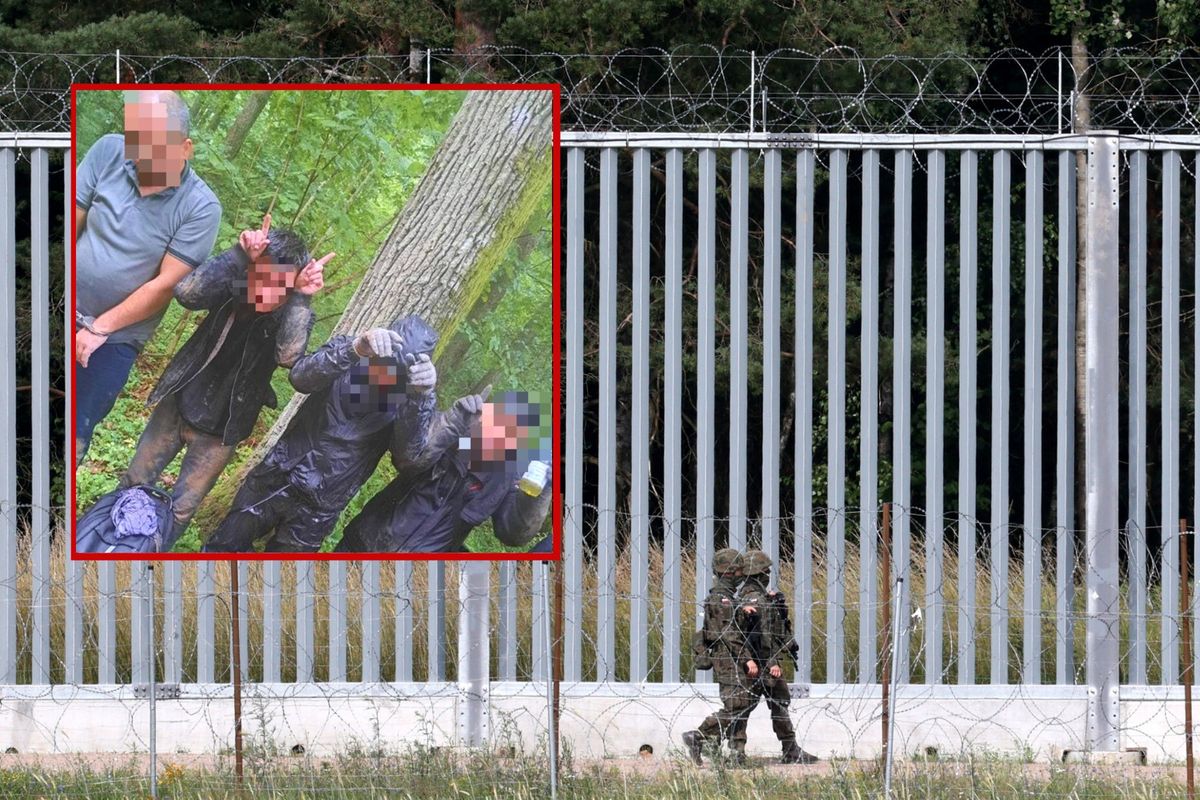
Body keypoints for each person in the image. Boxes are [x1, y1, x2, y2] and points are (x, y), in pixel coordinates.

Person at [111, 213, 331, 550]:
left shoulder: (289, 313)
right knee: (134, 481)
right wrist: (240, 255)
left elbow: (289, 357)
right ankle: (107, 542)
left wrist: (302, 298)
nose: (268, 288)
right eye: (265, 274)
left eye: (281, 284)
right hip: (179, 402)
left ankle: (149, 555)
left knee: (181, 510)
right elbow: (186, 293)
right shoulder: (235, 285)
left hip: (223, 431)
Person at [202, 316, 439, 553]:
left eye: (398, 370)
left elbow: (407, 456)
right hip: (278, 474)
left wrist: (422, 396)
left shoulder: (411, 402)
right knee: (223, 547)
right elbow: (300, 377)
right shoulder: (351, 352)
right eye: (388, 360)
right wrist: (355, 348)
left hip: (320, 507)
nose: (388, 373)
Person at [75, 89, 222, 464]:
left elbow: (165, 284)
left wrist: (98, 328)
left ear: (184, 148)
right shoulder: (110, 150)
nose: (141, 158)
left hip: (116, 338)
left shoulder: (200, 207)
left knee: (74, 430)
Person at [335, 388, 552, 553]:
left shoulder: (505, 479)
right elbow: (406, 459)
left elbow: (514, 534)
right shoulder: (449, 431)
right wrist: (452, 423)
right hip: (364, 544)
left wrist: (539, 494)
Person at [735, 549, 818, 765]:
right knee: (749, 707)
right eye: (766, 571)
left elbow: (776, 628)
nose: (768, 575)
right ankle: (740, 752)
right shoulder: (756, 599)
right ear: (759, 573)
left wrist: (779, 605)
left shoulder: (755, 598)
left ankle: (786, 749)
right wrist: (772, 663)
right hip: (758, 664)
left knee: (768, 704)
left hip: (756, 662)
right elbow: (761, 635)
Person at [681, 548, 754, 766]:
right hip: (728, 659)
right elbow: (729, 633)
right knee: (736, 706)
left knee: (741, 704)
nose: (742, 575)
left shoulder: (726, 599)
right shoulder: (721, 599)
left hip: (730, 657)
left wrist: (742, 608)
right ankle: (700, 736)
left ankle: (724, 748)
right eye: (739, 571)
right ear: (730, 572)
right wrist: (746, 659)